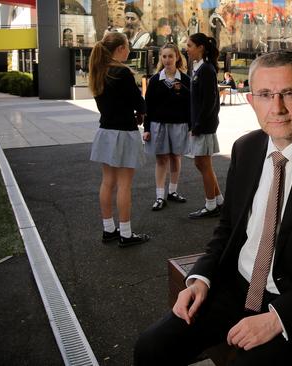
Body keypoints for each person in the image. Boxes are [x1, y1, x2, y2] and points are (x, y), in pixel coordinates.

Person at [134, 50, 292, 365]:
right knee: (151, 348)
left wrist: (278, 317)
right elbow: (228, 229)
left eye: (288, 93)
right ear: (251, 101)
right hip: (240, 287)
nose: (277, 107)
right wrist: (200, 278)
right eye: (264, 95)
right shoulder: (246, 149)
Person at [88, 32, 149, 246]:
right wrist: (142, 109)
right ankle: (125, 233)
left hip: (105, 132)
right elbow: (138, 101)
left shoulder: (98, 71)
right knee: (124, 185)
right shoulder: (122, 73)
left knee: (107, 183)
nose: (129, 50)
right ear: (120, 49)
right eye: (127, 46)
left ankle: (109, 229)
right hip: (124, 133)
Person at [143, 43, 191, 211]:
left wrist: (191, 127)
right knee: (161, 159)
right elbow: (147, 106)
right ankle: (159, 196)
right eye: (164, 56)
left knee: (176, 158)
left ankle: (173, 191)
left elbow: (190, 105)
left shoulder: (185, 79)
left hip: (179, 125)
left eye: (171, 56)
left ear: (177, 57)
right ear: (160, 58)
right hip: (159, 125)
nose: (167, 59)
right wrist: (147, 128)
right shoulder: (155, 80)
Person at [185, 33, 224, 219]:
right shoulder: (199, 67)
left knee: (203, 163)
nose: (187, 48)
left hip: (204, 125)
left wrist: (198, 125)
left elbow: (210, 102)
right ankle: (219, 201)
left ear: (200, 47)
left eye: (190, 45)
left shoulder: (206, 70)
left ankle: (211, 206)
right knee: (202, 164)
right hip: (201, 124)